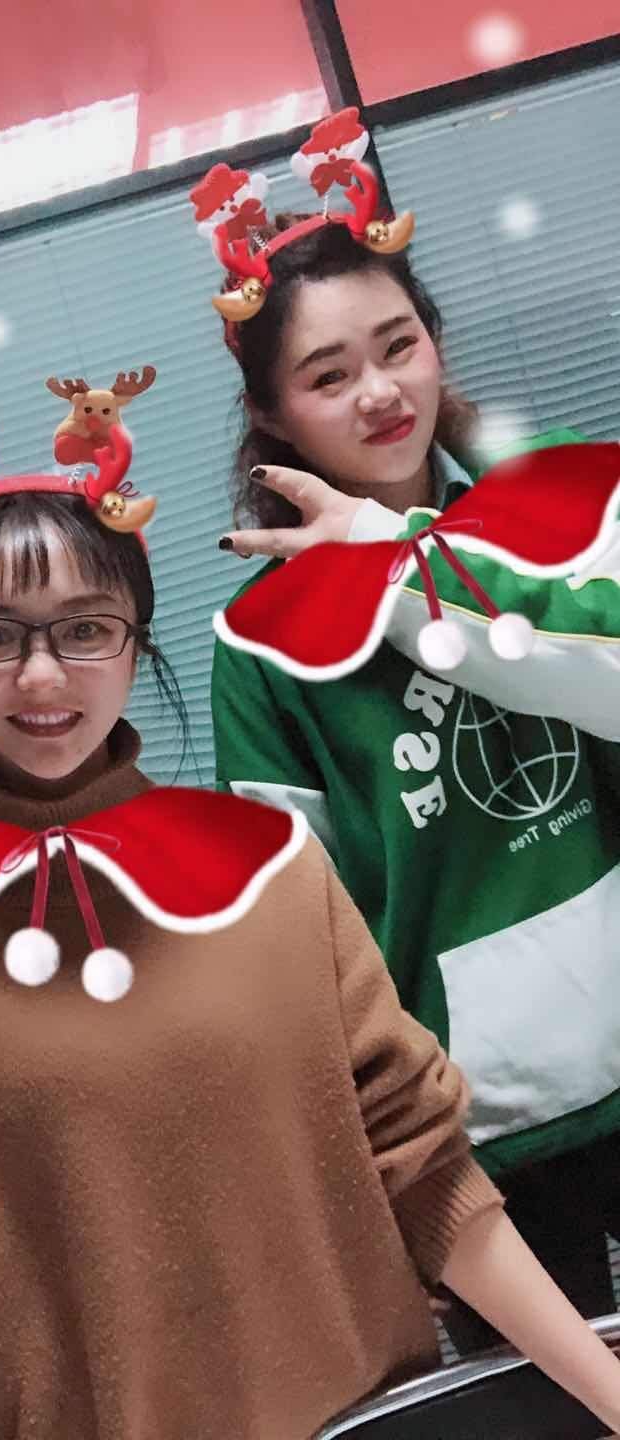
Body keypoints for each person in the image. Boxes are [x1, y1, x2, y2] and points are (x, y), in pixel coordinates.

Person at [0, 378, 620, 1439]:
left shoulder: (267, 868)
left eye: (85, 629)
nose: (41, 675)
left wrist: (609, 1398)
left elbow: (426, 1172)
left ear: (138, 642)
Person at [201, 111, 620, 1348]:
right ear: (274, 415)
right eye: (329, 375)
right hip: (485, 1142)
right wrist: (381, 1175)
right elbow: (297, 955)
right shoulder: (261, 642)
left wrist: (388, 556)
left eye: (400, 345)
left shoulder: (561, 503)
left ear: (437, 341)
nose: (382, 392)